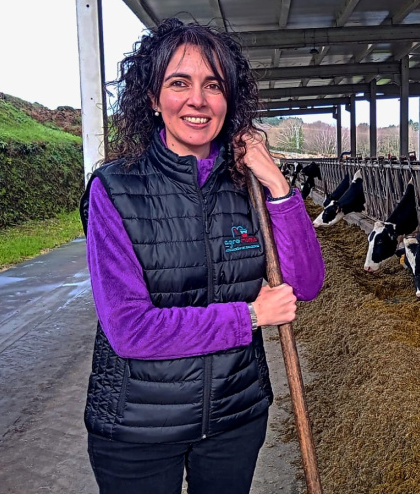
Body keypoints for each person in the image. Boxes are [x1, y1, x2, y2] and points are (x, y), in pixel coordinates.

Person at [79, 18, 325, 494]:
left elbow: (306, 284)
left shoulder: (246, 186)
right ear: (153, 98)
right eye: (179, 83)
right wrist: (249, 316)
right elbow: (130, 330)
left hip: (235, 418)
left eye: (213, 85)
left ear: (228, 100)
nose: (198, 100)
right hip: (138, 429)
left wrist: (275, 184)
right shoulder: (115, 190)